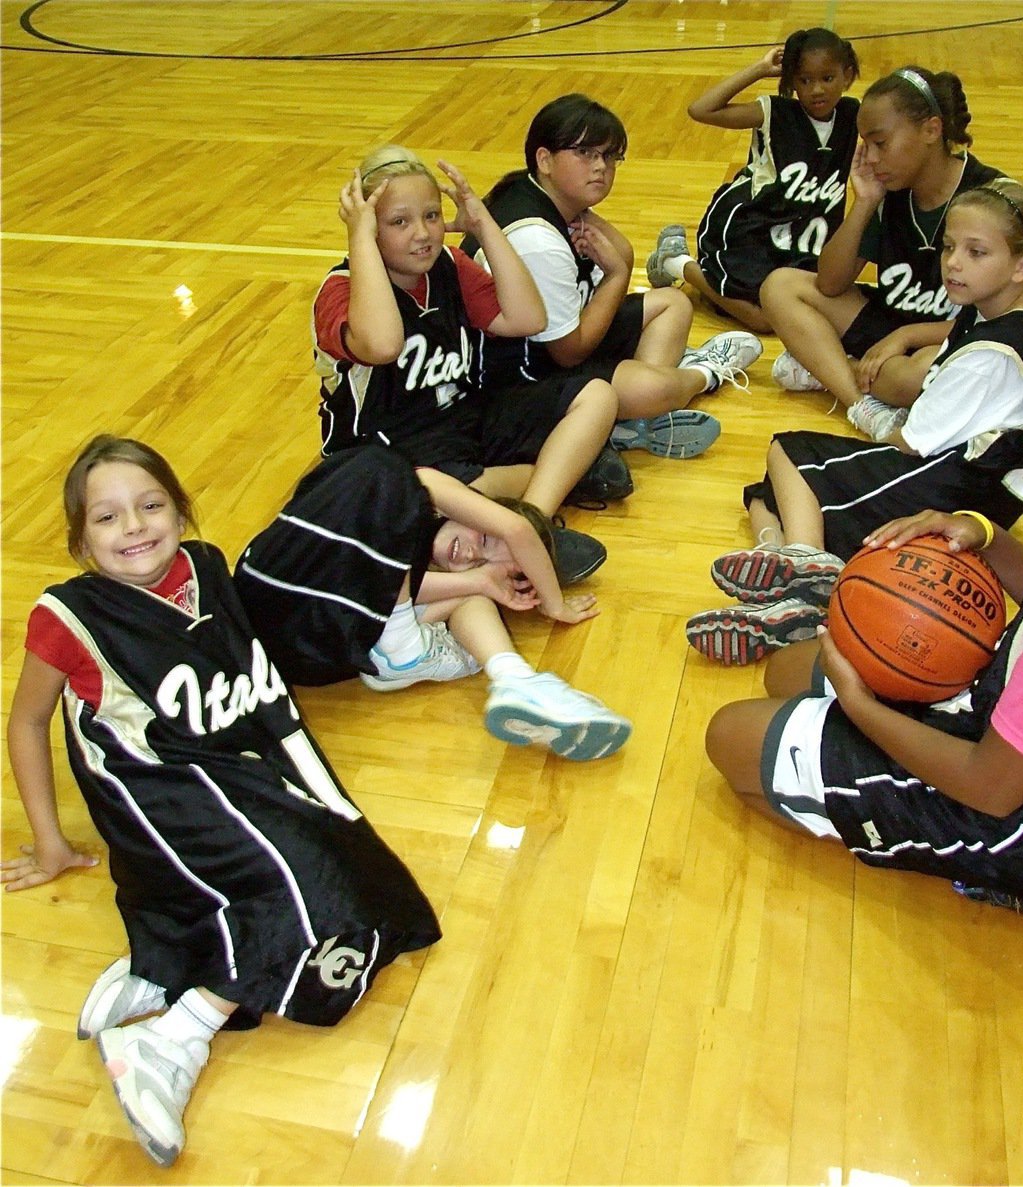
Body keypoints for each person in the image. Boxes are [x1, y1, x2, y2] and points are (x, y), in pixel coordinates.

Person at [3, 436, 442, 1167]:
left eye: (150, 506)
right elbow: (24, 722)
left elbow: (248, 682)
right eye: (108, 518)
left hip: (229, 770)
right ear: (80, 540)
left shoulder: (204, 566)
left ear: (180, 509)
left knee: (369, 880)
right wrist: (50, 841)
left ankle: (168, 964)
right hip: (156, 798)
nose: (135, 526)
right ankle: (172, 1037)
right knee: (312, 897)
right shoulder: (66, 615)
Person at [703, 305, 1023, 924]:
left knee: (730, 738)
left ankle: (1012, 884)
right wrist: (983, 535)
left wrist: (865, 709)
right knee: (789, 670)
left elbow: (991, 787)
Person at [688, 179, 1023, 662]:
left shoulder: (990, 358)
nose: (954, 262)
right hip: (964, 479)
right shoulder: (1013, 305)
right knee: (766, 494)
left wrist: (869, 413)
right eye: (949, 247)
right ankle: (787, 587)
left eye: (976, 252)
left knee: (790, 451)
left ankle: (805, 571)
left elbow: (907, 440)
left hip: (952, 490)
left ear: (1022, 265)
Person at [313, 146, 612, 584]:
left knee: (598, 394)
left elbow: (529, 318)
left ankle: (530, 520)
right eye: (399, 222)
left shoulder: (450, 264)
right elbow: (382, 344)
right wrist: (357, 240)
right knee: (427, 508)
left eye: (431, 216)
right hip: (394, 455)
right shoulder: (339, 291)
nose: (422, 234)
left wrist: (484, 224)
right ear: (367, 228)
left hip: (465, 424)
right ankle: (548, 486)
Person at [234, 442, 631, 761]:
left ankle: (515, 679)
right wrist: (553, 604)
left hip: (311, 653)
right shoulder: (413, 492)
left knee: (463, 587)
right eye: (487, 539)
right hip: (266, 604)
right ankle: (420, 652)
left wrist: (481, 582)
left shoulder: (408, 559)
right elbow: (516, 527)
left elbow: (377, 588)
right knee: (382, 469)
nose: (472, 554)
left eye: (488, 562)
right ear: (481, 509)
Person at [460, 93, 763, 462]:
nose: (600, 167)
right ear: (544, 159)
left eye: (608, 156)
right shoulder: (537, 240)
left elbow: (624, 252)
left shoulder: (547, 194)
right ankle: (706, 372)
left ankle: (625, 426)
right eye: (585, 153)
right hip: (522, 381)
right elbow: (569, 352)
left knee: (672, 304)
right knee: (655, 387)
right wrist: (617, 277)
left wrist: (601, 238)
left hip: (559, 341)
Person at [760, 65, 1002, 421]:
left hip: (953, 336)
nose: (871, 158)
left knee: (918, 379)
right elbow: (830, 283)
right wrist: (864, 203)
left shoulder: (992, 199)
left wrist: (906, 335)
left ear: (931, 130)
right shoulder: (889, 189)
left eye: (881, 143)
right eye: (866, 146)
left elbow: (1008, 320)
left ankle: (828, 368)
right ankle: (863, 407)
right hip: (891, 324)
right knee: (779, 285)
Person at [646, 28, 860, 334]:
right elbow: (701, 110)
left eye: (827, 78)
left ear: (847, 76)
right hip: (751, 227)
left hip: (802, 236)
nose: (816, 90)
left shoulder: (855, 115)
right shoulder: (774, 112)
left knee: (814, 307)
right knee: (766, 319)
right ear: (791, 81)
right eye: (804, 80)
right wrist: (760, 69)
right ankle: (678, 263)